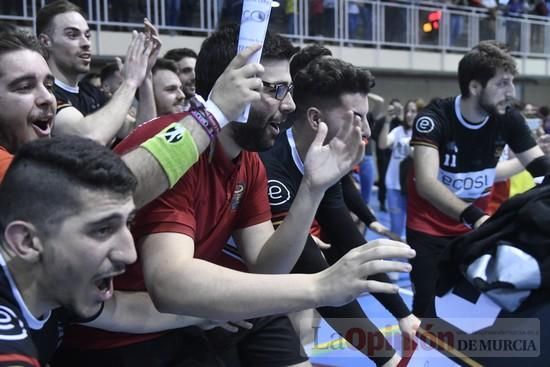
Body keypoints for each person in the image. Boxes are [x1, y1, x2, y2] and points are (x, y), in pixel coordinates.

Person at [55, 23, 416, 367]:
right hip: (114, 340)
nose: (288, 105)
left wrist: (312, 188)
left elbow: (266, 266)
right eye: (274, 90)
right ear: (231, 89)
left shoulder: (249, 163)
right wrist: (320, 286)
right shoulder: (175, 147)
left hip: (190, 319)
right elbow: (170, 284)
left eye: (287, 91)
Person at [258, 56, 419, 366]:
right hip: (222, 294)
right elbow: (317, 276)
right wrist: (387, 358)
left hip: (268, 281)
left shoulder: (322, 159)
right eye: (357, 117)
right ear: (316, 119)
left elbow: (347, 238)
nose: (367, 130)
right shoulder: (270, 166)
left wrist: (403, 313)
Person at [406, 40, 550, 318]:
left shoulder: (508, 119)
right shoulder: (434, 118)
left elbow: (539, 166)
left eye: (512, 83)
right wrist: (474, 217)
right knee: (427, 313)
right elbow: (426, 183)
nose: (511, 92)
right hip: (430, 232)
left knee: (470, 313)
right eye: (503, 83)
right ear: (475, 87)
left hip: (475, 229)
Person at [36, 0, 158, 144]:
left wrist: (145, 78)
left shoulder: (92, 93)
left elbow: (142, 133)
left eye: (87, 35)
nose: (86, 43)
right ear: (45, 42)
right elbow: (90, 137)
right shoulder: (45, 94)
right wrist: (130, 82)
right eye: (72, 35)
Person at [377, 99, 418, 239]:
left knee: (415, 227)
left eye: (413, 111)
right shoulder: (398, 131)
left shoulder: (424, 133)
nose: (409, 114)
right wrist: (387, 121)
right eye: (407, 111)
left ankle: (412, 259)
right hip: (394, 185)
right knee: (396, 227)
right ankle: (394, 259)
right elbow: (382, 145)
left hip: (415, 187)